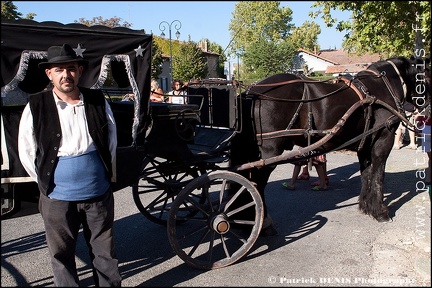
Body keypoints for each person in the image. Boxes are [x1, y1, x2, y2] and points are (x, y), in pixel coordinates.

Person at [17, 44, 121, 287]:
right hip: (57, 197)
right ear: (49, 74)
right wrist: (48, 184)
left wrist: (103, 176)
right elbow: (26, 150)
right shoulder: (36, 105)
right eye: (59, 69)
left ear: (80, 70)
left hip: (98, 194)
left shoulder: (96, 100)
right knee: (62, 256)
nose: (66, 75)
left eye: (71, 68)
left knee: (105, 254)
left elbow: (111, 140)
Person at [417, 114, 431, 185]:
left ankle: (429, 177)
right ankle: (429, 176)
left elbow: (418, 118)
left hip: (426, 128)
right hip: (426, 128)